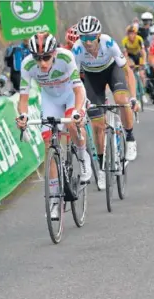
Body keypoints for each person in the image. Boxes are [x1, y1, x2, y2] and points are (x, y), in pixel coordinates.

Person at [16, 32, 91, 218]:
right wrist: (23, 116)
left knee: (73, 125)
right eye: (37, 58)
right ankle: (55, 199)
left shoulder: (66, 57)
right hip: (50, 100)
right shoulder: (27, 65)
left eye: (46, 58)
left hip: (71, 96)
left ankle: (82, 156)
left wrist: (79, 112)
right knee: (49, 145)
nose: (42, 63)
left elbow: (78, 90)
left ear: (54, 53)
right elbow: (23, 98)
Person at [72, 16, 138, 189]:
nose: (87, 42)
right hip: (92, 78)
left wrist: (133, 97)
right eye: (83, 37)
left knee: (121, 100)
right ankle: (101, 168)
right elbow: (75, 79)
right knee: (98, 126)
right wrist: (81, 101)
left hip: (112, 71)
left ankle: (130, 138)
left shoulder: (108, 43)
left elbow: (127, 71)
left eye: (91, 37)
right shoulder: (77, 49)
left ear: (98, 35)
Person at [122, 25, 147, 100]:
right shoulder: (125, 40)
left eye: (133, 33)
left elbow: (143, 52)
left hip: (138, 55)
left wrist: (144, 62)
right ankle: (133, 92)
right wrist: (127, 63)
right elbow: (125, 54)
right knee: (130, 72)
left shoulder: (139, 39)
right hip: (130, 56)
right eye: (129, 33)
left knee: (142, 75)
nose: (131, 35)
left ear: (136, 34)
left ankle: (144, 93)